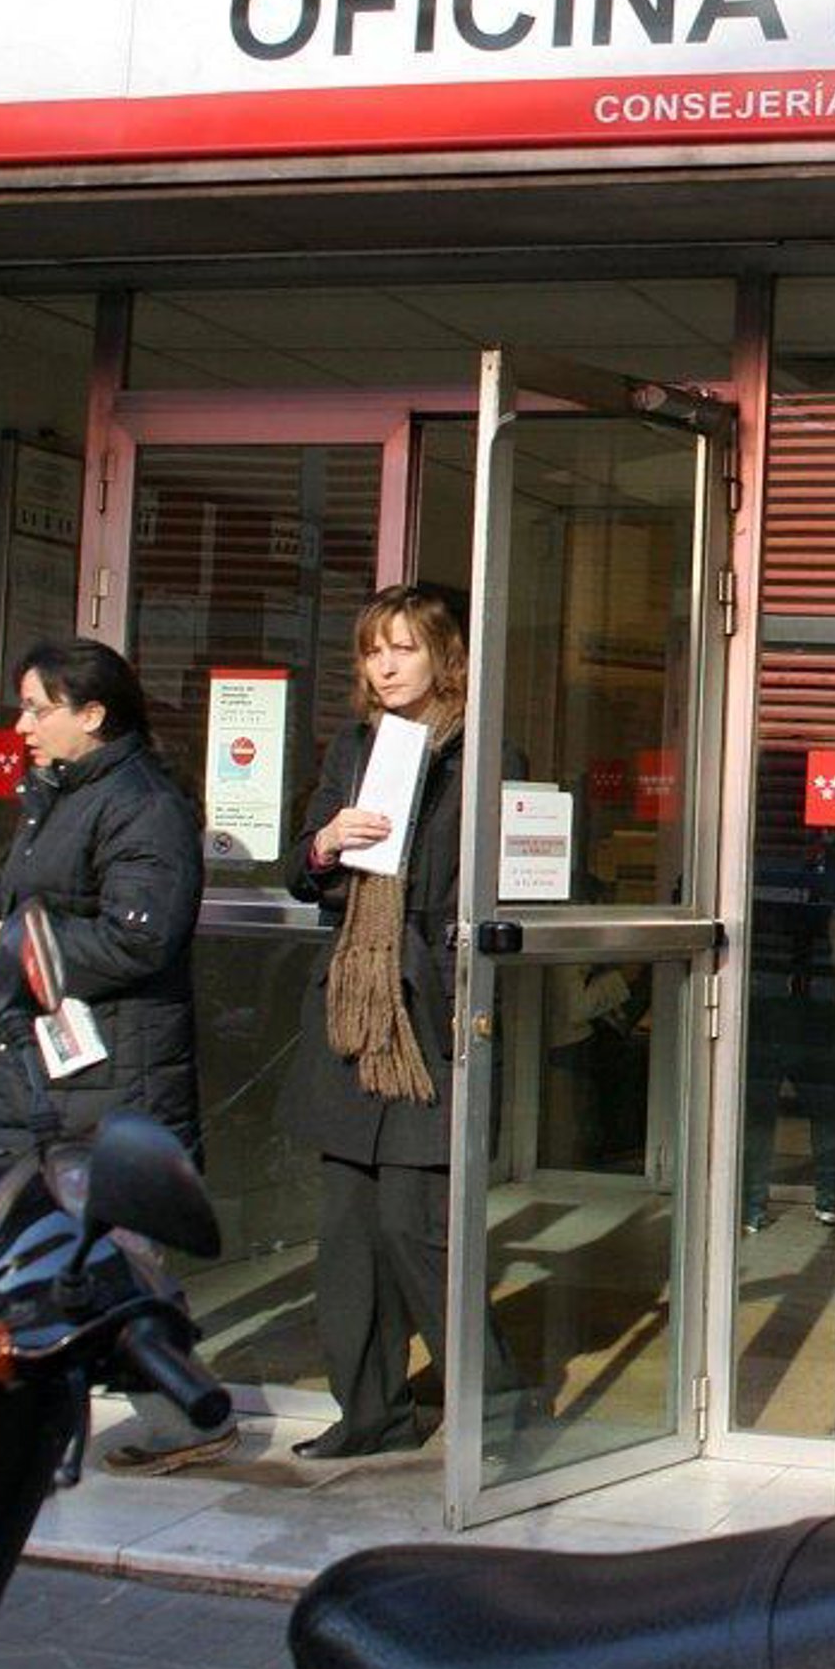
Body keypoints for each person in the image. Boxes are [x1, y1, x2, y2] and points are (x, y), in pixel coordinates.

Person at [0, 637, 233, 1474]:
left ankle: (189, 1417)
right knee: (32, 1250)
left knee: (113, 1258)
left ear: (92, 715)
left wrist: (13, 944)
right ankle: (13, 1427)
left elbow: (140, 938)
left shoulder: (144, 804)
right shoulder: (61, 792)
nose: (22, 725)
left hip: (113, 1075)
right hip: (47, 1073)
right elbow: (23, 890)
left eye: (39, 709)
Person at [279, 585, 471, 1460]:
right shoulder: (354, 746)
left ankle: (496, 1406)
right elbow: (301, 870)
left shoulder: (477, 749)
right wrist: (327, 843)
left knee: (411, 1226)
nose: (385, 666)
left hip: (428, 1013)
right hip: (355, 1010)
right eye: (372, 650)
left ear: (444, 656)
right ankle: (370, 1414)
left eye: (404, 648)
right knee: (348, 1234)